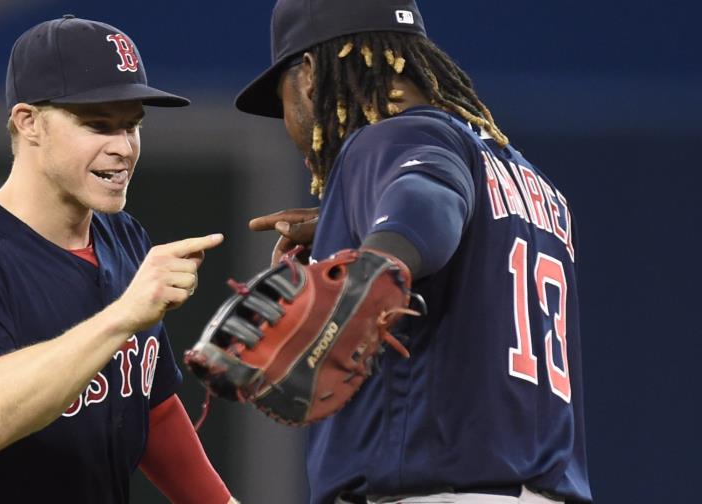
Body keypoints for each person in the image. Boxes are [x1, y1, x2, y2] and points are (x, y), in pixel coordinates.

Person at [237, 1, 591, 503]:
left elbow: (426, 208)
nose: (290, 123)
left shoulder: (393, 135)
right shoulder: (532, 183)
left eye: (284, 98)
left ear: (311, 75)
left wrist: (366, 277)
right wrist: (348, 227)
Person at [0, 15, 236, 504]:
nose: (122, 147)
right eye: (98, 124)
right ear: (28, 122)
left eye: (132, 126)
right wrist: (123, 316)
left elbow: (152, 406)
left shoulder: (124, 238)